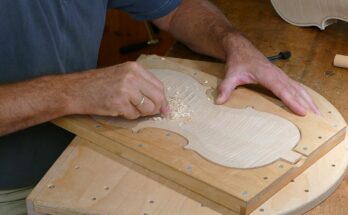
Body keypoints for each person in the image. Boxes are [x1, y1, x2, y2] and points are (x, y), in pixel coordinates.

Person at [0, 0, 319, 214]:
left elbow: (176, 8)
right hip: (12, 189)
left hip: (87, 143)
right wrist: (71, 91)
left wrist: (233, 43)